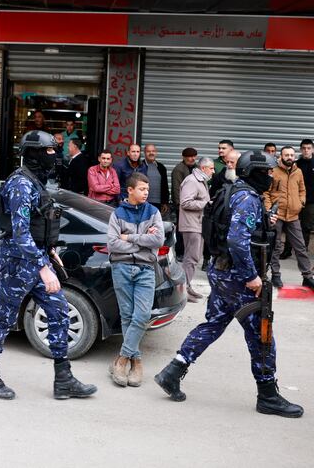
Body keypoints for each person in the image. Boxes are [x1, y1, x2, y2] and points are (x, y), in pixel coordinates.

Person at [155, 151, 304, 418]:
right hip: (239, 278)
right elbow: (237, 240)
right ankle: (267, 394)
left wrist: (263, 223)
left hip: (222, 272)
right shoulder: (247, 197)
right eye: (267, 171)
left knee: (214, 323)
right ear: (254, 172)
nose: (271, 175)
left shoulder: (236, 191)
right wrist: (251, 276)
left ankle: (173, 371)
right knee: (262, 335)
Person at [0, 130, 96, 401]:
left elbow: (37, 224)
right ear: (34, 154)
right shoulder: (20, 185)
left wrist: (49, 250)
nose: (55, 156)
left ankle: (63, 379)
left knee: (59, 312)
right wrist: (43, 266)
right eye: (50, 151)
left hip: (36, 259)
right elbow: (20, 234)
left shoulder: (36, 182)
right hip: (17, 264)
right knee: (4, 319)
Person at [106, 172, 164, 388]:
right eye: (142, 189)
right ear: (130, 190)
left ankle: (122, 359)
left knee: (141, 315)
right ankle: (136, 361)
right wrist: (143, 242)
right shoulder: (118, 213)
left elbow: (158, 239)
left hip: (145, 268)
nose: (146, 192)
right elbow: (113, 244)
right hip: (121, 267)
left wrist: (129, 237)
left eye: (147, 189)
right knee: (127, 316)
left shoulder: (153, 212)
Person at [264, 146, 314, 290]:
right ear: (281, 156)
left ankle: (307, 277)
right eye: (287, 155)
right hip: (277, 215)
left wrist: (301, 202)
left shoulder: (298, 171)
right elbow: (266, 192)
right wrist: (269, 209)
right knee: (276, 247)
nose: (290, 157)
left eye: (292, 155)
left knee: (300, 247)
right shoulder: (273, 171)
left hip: (293, 215)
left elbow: (302, 189)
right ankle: (276, 275)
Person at [178, 158, 216, 303]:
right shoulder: (192, 181)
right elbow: (185, 202)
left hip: (197, 224)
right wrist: (206, 203)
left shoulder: (200, 180)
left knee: (193, 258)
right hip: (191, 225)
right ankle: (183, 291)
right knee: (190, 258)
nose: (213, 171)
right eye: (211, 168)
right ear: (203, 168)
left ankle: (187, 286)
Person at [296, 139, 314, 250]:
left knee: (306, 227)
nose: (306, 151)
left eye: (308, 148)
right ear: (301, 149)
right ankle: (287, 250)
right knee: (291, 225)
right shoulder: (297, 164)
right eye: (304, 148)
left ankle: (303, 249)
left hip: (311, 201)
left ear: (312, 149)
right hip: (296, 199)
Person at [143, 144, 169, 215]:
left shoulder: (161, 167)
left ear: (156, 152)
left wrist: (165, 202)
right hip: (143, 202)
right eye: (148, 151)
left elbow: (165, 186)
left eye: (153, 151)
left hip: (158, 204)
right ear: (144, 153)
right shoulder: (140, 166)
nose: (151, 153)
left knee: (155, 225)